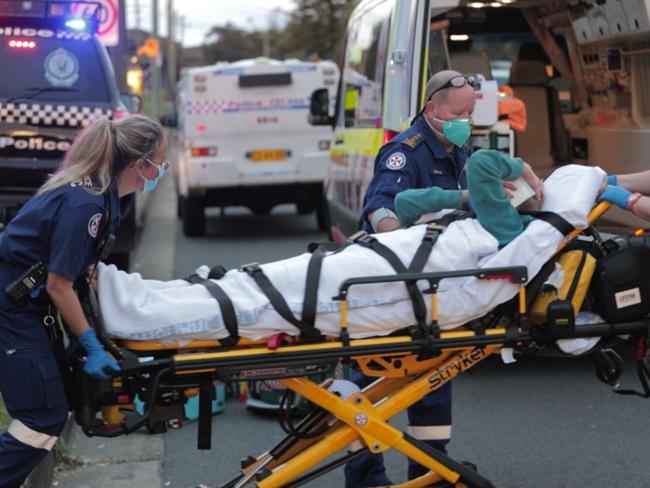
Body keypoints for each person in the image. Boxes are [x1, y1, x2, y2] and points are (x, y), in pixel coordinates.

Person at [0, 114, 168, 487]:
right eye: (161, 162)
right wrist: (90, 344)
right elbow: (59, 284)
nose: (163, 171)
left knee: (52, 406)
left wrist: (84, 333)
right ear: (140, 165)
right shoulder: (86, 206)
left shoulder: (104, 200)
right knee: (41, 415)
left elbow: (75, 274)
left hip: (27, 309)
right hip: (11, 311)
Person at [346, 70, 478, 487]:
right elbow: (380, 207)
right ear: (432, 109)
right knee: (374, 385)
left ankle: (429, 474)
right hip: (393, 283)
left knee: (434, 380)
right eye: (458, 113)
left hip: (431, 286)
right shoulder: (405, 151)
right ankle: (366, 480)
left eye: (471, 113)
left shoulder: (456, 146)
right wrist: (397, 238)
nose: (466, 121)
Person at [395, 149, 544, 246]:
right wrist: (470, 195)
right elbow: (403, 202)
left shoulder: (506, 226)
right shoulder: (480, 221)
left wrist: (524, 169)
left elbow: (481, 160)